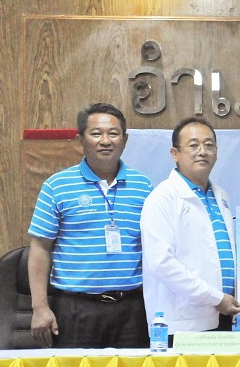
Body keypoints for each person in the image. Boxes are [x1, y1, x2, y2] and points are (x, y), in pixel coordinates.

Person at [28, 103, 153, 348]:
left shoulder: (143, 186)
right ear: (80, 140)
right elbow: (40, 247)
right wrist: (40, 307)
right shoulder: (57, 186)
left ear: (125, 140)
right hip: (76, 308)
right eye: (96, 133)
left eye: (113, 134)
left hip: (133, 308)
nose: (105, 141)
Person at [140, 117, 240, 345]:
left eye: (209, 145)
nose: (202, 151)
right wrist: (215, 298)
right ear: (175, 154)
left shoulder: (221, 196)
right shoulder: (162, 198)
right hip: (183, 323)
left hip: (223, 315)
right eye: (193, 145)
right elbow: (161, 263)